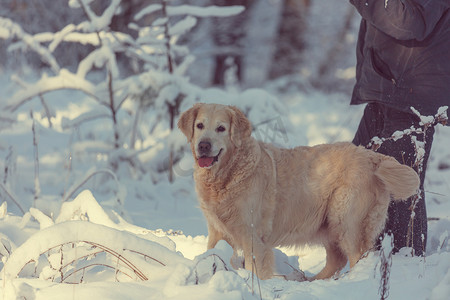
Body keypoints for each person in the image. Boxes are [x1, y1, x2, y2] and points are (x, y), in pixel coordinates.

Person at [348, 0, 450, 256]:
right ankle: (367, 260)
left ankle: (402, 267)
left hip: (410, 95)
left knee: (399, 190)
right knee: (355, 176)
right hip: (390, 89)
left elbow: (408, 23)